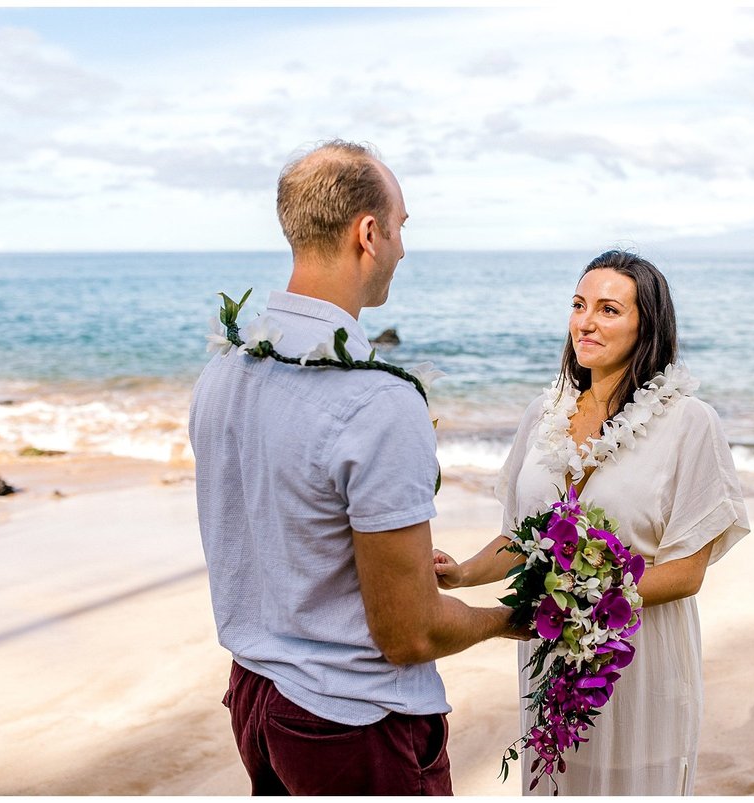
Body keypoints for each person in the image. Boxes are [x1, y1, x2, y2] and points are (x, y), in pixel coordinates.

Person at [190, 140, 524, 796]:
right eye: (400, 228)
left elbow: (274, 524)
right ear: (367, 233)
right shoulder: (377, 401)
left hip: (258, 700)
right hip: (353, 725)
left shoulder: (223, 370)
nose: (402, 247)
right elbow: (409, 632)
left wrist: (384, 568)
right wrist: (514, 617)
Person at [433, 249, 750, 795]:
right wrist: (462, 574)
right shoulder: (544, 412)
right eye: (579, 305)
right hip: (550, 652)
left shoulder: (688, 423)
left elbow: (686, 573)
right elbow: (523, 538)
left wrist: (581, 600)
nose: (586, 321)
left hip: (639, 656)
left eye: (608, 309)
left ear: (645, 325)